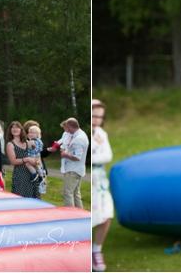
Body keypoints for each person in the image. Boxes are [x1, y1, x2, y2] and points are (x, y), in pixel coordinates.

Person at [77, 111, 112, 272]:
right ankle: (83, 249)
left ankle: (96, 249)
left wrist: (95, 158)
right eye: (94, 115)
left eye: (100, 117)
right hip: (91, 177)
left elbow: (107, 155)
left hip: (100, 179)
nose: (97, 119)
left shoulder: (101, 133)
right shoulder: (84, 134)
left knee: (106, 215)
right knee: (92, 214)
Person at [4, 122, 40, 199]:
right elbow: (13, 161)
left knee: (33, 199)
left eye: (17, 127)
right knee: (20, 198)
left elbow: (36, 155)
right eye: (12, 127)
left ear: (21, 130)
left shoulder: (27, 142)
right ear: (10, 130)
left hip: (32, 174)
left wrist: (35, 161)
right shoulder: (10, 144)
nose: (15, 129)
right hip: (20, 175)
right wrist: (26, 159)